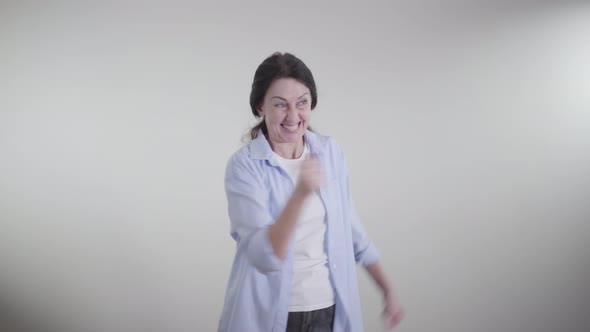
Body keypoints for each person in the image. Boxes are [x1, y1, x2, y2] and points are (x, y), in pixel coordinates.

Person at [218, 52, 404, 332]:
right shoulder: (244, 167)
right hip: (270, 316)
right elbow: (263, 254)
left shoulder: (329, 152)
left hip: (329, 310)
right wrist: (300, 194)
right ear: (260, 107)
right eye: (280, 105)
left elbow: (352, 230)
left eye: (302, 103)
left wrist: (387, 289)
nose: (293, 116)